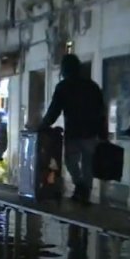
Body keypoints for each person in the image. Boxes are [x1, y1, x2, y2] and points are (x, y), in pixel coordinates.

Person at [39, 54, 108, 205]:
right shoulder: (92, 86)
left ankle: (80, 186)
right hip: (90, 132)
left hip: (74, 132)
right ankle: (85, 191)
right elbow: (102, 111)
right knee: (87, 164)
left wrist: (43, 126)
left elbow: (54, 110)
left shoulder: (64, 87)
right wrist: (103, 131)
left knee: (71, 162)